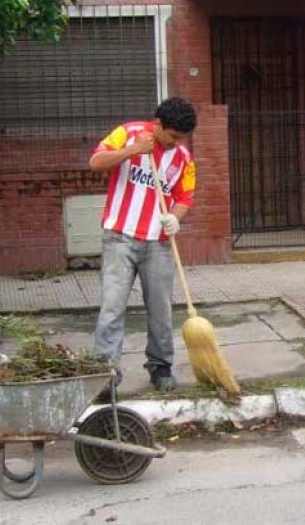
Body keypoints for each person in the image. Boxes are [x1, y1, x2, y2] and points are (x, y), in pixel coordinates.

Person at [89, 97, 198, 392]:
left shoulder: (183, 158)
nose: (177, 143)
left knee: (161, 309)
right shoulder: (127, 132)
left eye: (182, 138)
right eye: (173, 136)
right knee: (112, 307)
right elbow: (96, 162)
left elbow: (185, 197)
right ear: (158, 124)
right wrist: (132, 151)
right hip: (119, 237)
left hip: (159, 243)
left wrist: (175, 219)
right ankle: (106, 374)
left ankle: (161, 367)